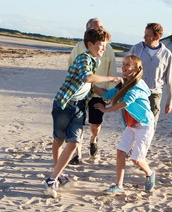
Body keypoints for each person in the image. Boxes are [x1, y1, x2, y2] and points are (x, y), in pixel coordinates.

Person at [44, 28, 123, 198]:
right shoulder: (83, 58)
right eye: (101, 45)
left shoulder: (94, 61)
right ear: (90, 44)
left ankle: (53, 178)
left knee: (73, 143)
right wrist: (111, 78)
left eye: (105, 46)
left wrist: (108, 95)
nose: (104, 49)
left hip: (79, 106)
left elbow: (91, 86)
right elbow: (87, 78)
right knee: (58, 140)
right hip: (64, 104)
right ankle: (57, 174)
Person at [94, 55, 156, 195]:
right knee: (120, 152)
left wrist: (106, 110)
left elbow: (125, 102)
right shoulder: (124, 84)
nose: (124, 67)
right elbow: (107, 95)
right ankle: (119, 185)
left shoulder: (137, 85)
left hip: (145, 125)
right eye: (123, 64)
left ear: (136, 68)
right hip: (131, 125)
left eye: (128, 64)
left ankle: (150, 173)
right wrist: (90, 83)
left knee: (137, 159)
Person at [68, 18, 117, 162]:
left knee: (95, 124)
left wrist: (110, 93)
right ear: (87, 31)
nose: (98, 30)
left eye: (100, 27)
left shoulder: (108, 48)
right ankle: (77, 154)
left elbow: (112, 71)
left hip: (99, 92)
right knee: (78, 122)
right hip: (80, 92)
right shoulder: (79, 46)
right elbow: (71, 67)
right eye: (94, 28)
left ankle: (94, 140)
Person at [130, 23, 172, 129]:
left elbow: (170, 80)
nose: (144, 37)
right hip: (136, 92)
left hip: (154, 94)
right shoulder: (136, 49)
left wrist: (170, 101)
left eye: (147, 35)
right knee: (133, 126)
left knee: (149, 127)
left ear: (157, 37)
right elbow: (126, 70)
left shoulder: (166, 54)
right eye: (144, 34)